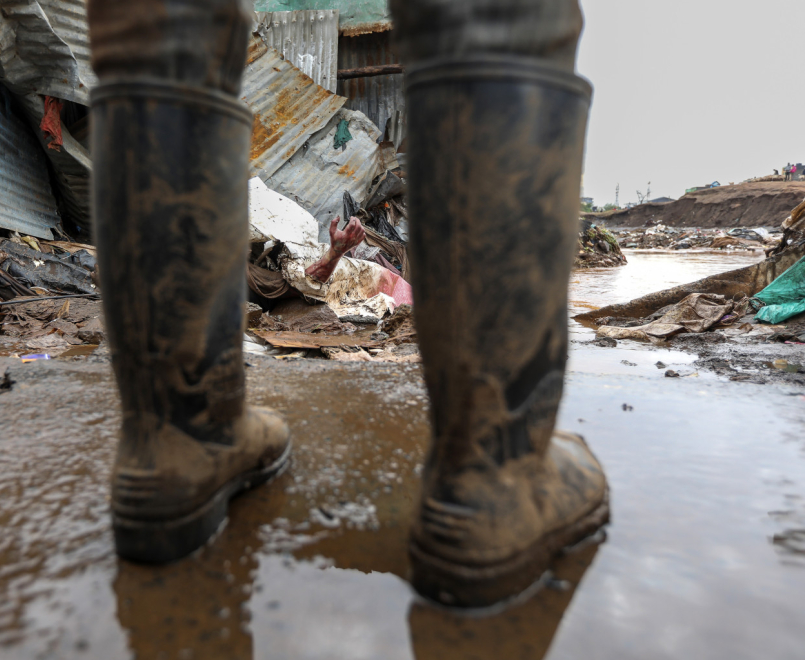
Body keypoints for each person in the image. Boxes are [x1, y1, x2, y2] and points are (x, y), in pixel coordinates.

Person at [86, 0, 609, 608]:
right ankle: (490, 483)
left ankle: (174, 444)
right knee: (491, 23)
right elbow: (309, 276)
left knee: (163, 40)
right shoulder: (287, 256)